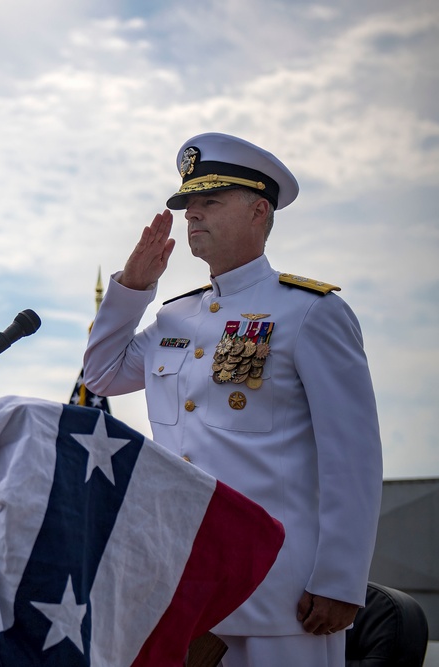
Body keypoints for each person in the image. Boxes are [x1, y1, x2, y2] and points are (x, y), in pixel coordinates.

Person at [82, 132, 382, 666]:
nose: (193, 216)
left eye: (210, 202)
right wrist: (132, 288)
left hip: (280, 594)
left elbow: (352, 456)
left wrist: (341, 578)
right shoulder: (175, 317)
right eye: (189, 206)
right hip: (182, 581)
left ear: (258, 210)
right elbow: (101, 376)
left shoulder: (309, 312)